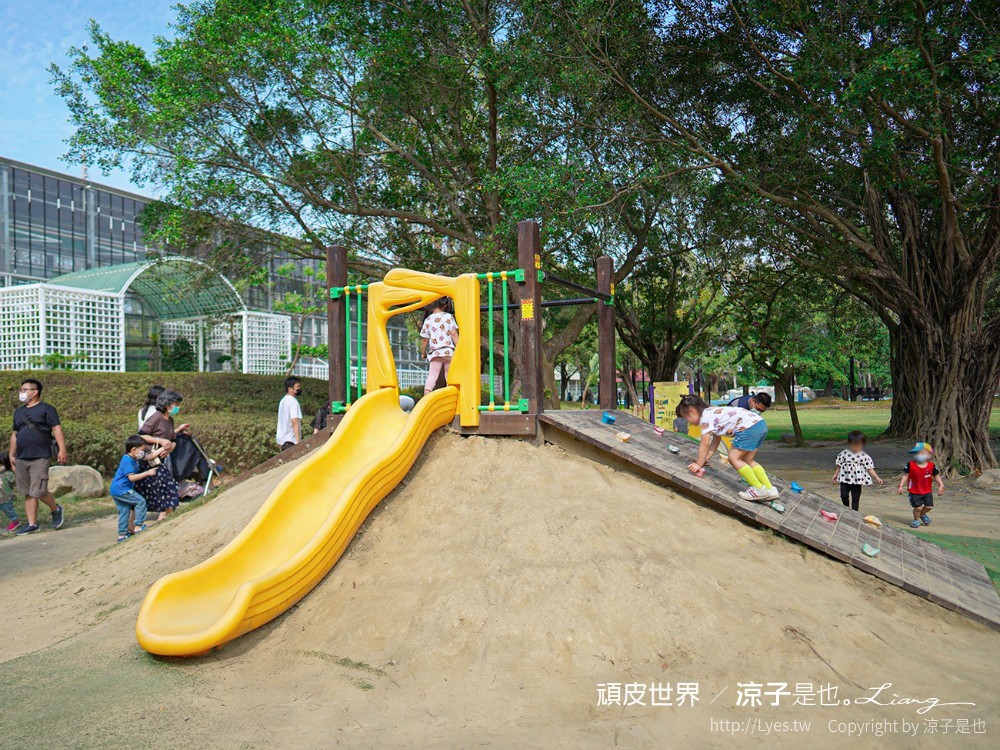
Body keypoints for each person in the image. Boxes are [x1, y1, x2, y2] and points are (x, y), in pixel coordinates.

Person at [676, 395, 777, 501]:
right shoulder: (713, 412)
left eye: (686, 417)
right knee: (748, 460)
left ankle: (758, 489)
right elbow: (716, 439)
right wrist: (706, 459)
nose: (688, 422)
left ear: (692, 411)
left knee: (733, 458)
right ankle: (770, 489)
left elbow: (705, 444)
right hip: (760, 425)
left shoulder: (704, 419)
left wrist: (698, 464)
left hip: (748, 428)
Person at [11, 379, 67, 535]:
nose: (21, 392)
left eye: (24, 389)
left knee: (39, 490)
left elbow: (56, 429)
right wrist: (11, 454)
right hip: (21, 457)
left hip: (40, 455)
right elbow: (15, 434)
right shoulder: (18, 412)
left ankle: (55, 509)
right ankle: (32, 523)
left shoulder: (47, 409)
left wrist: (62, 449)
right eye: (21, 389)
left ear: (35, 392)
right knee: (27, 491)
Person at [138, 389, 185, 520]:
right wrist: (160, 441)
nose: (177, 407)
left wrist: (170, 448)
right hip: (150, 460)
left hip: (161, 460)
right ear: (167, 404)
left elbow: (173, 439)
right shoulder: (156, 418)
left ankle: (165, 516)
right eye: (176, 404)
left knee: (168, 487)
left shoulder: (170, 420)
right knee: (160, 488)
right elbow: (141, 435)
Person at [110, 436, 163, 542]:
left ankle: (122, 535)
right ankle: (138, 527)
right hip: (122, 489)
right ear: (134, 449)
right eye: (142, 450)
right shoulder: (128, 461)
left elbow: (149, 456)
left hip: (116, 489)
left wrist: (164, 447)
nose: (143, 453)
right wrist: (147, 473)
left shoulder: (134, 457)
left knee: (124, 511)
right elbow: (132, 477)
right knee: (141, 502)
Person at [832, 430, 883, 511]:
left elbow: (869, 468)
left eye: (858, 445)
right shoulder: (844, 453)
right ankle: (846, 507)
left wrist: (877, 477)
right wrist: (835, 474)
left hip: (857, 481)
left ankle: (855, 513)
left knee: (855, 498)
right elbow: (839, 465)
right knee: (844, 496)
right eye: (853, 445)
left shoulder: (864, 456)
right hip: (845, 479)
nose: (855, 447)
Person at [897, 442, 944, 529]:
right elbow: (905, 475)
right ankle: (916, 520)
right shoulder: (910, 464)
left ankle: (922, 514)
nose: (919, 455)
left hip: (927, 491)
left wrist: (941, 485)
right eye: (916, 453)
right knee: (918, 508)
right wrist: (900, 486)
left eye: (922, 453)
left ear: (929, 455)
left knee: (929, 506)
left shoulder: (931, 466)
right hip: (914, 491)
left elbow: (936, 476)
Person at [420, 299, 459, 395]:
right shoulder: (448, 316)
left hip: (435, 352)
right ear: (445, 305)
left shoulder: (428, 320)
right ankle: (450, 393)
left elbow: (424, 340)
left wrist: (423, 353)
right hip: (448, 351)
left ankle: (427, 393)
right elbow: (454, 334)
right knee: (449, 374)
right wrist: (459, 348)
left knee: (433, 374)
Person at [277, 377, 303, 450]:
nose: (299, 388)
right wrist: (298, 442)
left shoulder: (283, 400)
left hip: (281, 439)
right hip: (290, 441)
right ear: (290, 389)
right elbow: (294, 421)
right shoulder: (293, 402)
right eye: (297, 387)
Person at [1, 453, 20, 533]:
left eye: (0, 465)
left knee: (8, 510)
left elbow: (15, 482)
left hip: (6, 497)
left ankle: (15, 521)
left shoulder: (9, 474)